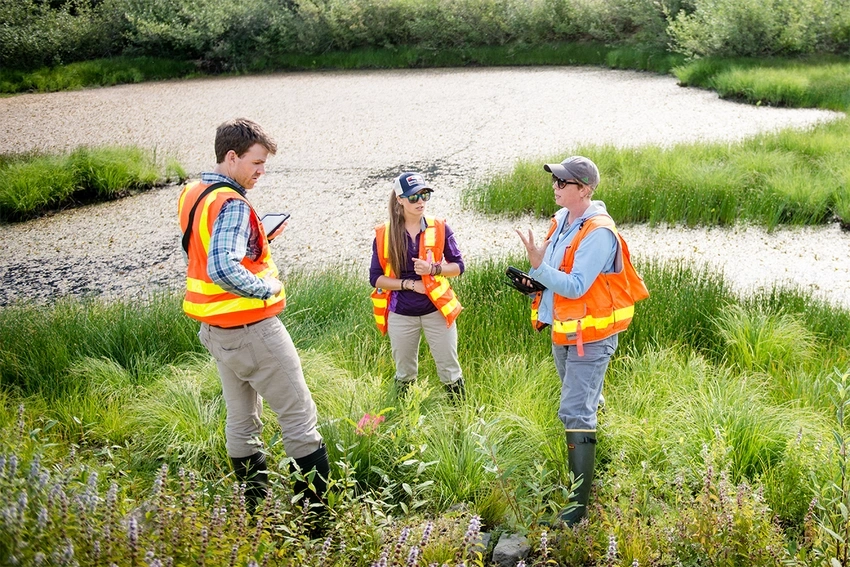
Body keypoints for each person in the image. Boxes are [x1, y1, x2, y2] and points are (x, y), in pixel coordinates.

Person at [177, 118, 329, 514]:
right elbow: (222, 268)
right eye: (257, 163)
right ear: (232, 157)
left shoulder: (195, 193)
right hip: (252, 330)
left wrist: (255, 238)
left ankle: (254, 515)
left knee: (242, 422)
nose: (262, 172)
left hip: (215, 331)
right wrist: (269, 288)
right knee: (300, 422)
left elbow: (203, 250)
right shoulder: (231, 203)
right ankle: (317, 525)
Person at [515, 156, 648, 525]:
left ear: (584, 189)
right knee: (585, 402)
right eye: (554, 181)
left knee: (574, 410)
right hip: (564, 330)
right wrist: (533, 281)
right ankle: (600, 467)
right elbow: (555, 276)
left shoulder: (599, 232)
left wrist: (540, 267)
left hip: (591, 336)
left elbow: (576, 285)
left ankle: (576, 511)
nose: (555, 187)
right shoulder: (560, 221)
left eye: (563, 182)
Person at [369, 172, 466, 400]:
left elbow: (458, 266)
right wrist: (410, 284)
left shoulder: (440, 227)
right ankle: (405, 420)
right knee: (405, 373)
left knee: (450, 371)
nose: (420, 201)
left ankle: (460, 417)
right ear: (400, 199)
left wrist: (433, 270)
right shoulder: (384, 234)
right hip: (401, 314)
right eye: (413, 197)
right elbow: (376, 279)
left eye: (424, 195)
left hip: (436, 311)